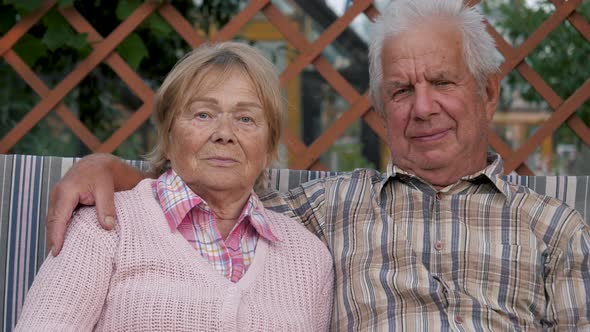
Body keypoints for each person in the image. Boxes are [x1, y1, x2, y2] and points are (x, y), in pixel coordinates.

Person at [44, 0, 590, 330]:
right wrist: (110, 169)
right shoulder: (334, 207)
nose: (422, 108)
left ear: (489, 93)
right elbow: (211, 184)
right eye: (400, 91)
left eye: (442, 83)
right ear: (379, 111)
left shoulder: (554, 229)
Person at [16, 42, 334, 331]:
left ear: (268, 147)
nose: (224, 133)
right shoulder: (106, 224)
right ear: (168, 138)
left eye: (246, 119)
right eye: (203, 114)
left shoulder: (308, 257)